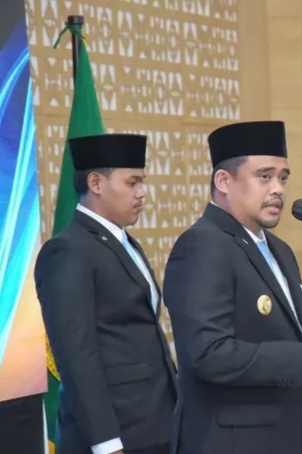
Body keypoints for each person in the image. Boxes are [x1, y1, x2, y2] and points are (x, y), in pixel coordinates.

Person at [162, 121, 302, 454]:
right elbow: (207, 355)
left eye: (283, 177)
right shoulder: (202, 246)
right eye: (264, 176)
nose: (278, 189)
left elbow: (289, 350)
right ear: (224, 181)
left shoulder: (279, 250)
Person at [34, 133, 177, 454]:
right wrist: (106, 442)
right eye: (132, 182)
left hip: (155, 426)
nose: (142, 192)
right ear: (96, 183)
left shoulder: (123, 242)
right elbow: (76, 356)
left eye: (143, 182)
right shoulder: (68, 251)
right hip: (114, 436)